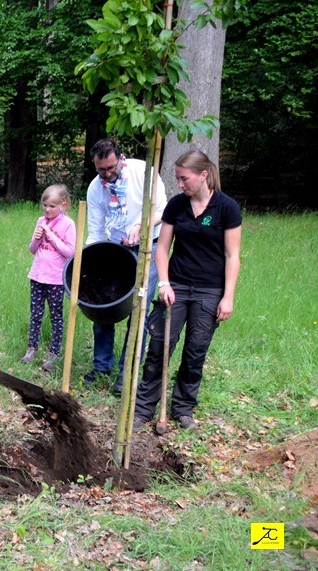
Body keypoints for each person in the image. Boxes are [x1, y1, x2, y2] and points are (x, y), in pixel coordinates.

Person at [133, 150, 241, 431]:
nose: (180, 184)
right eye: (178, 179)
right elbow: (162, 248)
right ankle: (143, 408)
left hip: (209, 291)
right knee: (159, 347)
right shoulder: (177, 205)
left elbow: (232, 256)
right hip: (177, 286)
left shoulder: (226, 208)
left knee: (195, 352)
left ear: (203, 175)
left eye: (184, 178)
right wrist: (165, 283)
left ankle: (183, 408)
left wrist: (228, 297)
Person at [84, 138, 167, 394]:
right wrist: (90, 262)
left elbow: (163, 211)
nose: (107, 174)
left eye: (111, 168)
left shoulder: (144, 173)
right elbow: (95, 231)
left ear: (121, 159)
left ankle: (126, 371)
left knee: (138, 310)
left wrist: (142, 225)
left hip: (148, 247)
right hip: (114, 249)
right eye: (101, 170)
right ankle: (101, 366)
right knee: (102, 305)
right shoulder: (95, 188)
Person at [21, 185, 76, 371]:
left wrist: (50, 235)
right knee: (35, 314)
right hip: (37, 276)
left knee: (56, 316)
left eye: (52, 206)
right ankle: (31, 348)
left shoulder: (68, 224)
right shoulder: (40, 221)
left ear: (63, 205)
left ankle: (54, 354)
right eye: (45, 205)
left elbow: (70, 252)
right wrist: (37, 238)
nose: (47, 209)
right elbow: (32, 249)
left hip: (56, 279)